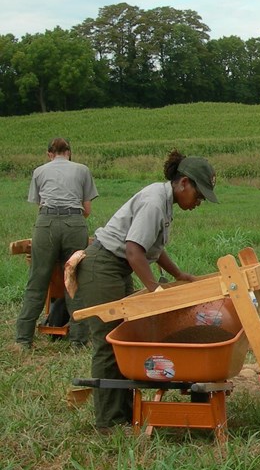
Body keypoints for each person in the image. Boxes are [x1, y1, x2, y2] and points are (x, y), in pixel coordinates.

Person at [75, 150, 218, 433]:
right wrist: (155, 291)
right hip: (103, 267)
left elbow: (153, 247)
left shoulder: (164, 201)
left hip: (116, 268)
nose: (199, 202)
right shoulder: (155, 202)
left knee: (125, 338)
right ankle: (109, 423)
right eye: (199, 195)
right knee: (109, 341)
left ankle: (126, 412)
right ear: (184, 183)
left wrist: (177, 275)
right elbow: (133, 250)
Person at [16, 137, 98, 350]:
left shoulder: (39, 171)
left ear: (49, 154)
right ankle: (79, 340)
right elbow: (87, 210)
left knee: (37, 280)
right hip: (74, 223)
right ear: (69, 152)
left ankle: (23, 339)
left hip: (46, 224)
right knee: (74, 278)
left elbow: (39, 206)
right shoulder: (82, 170)